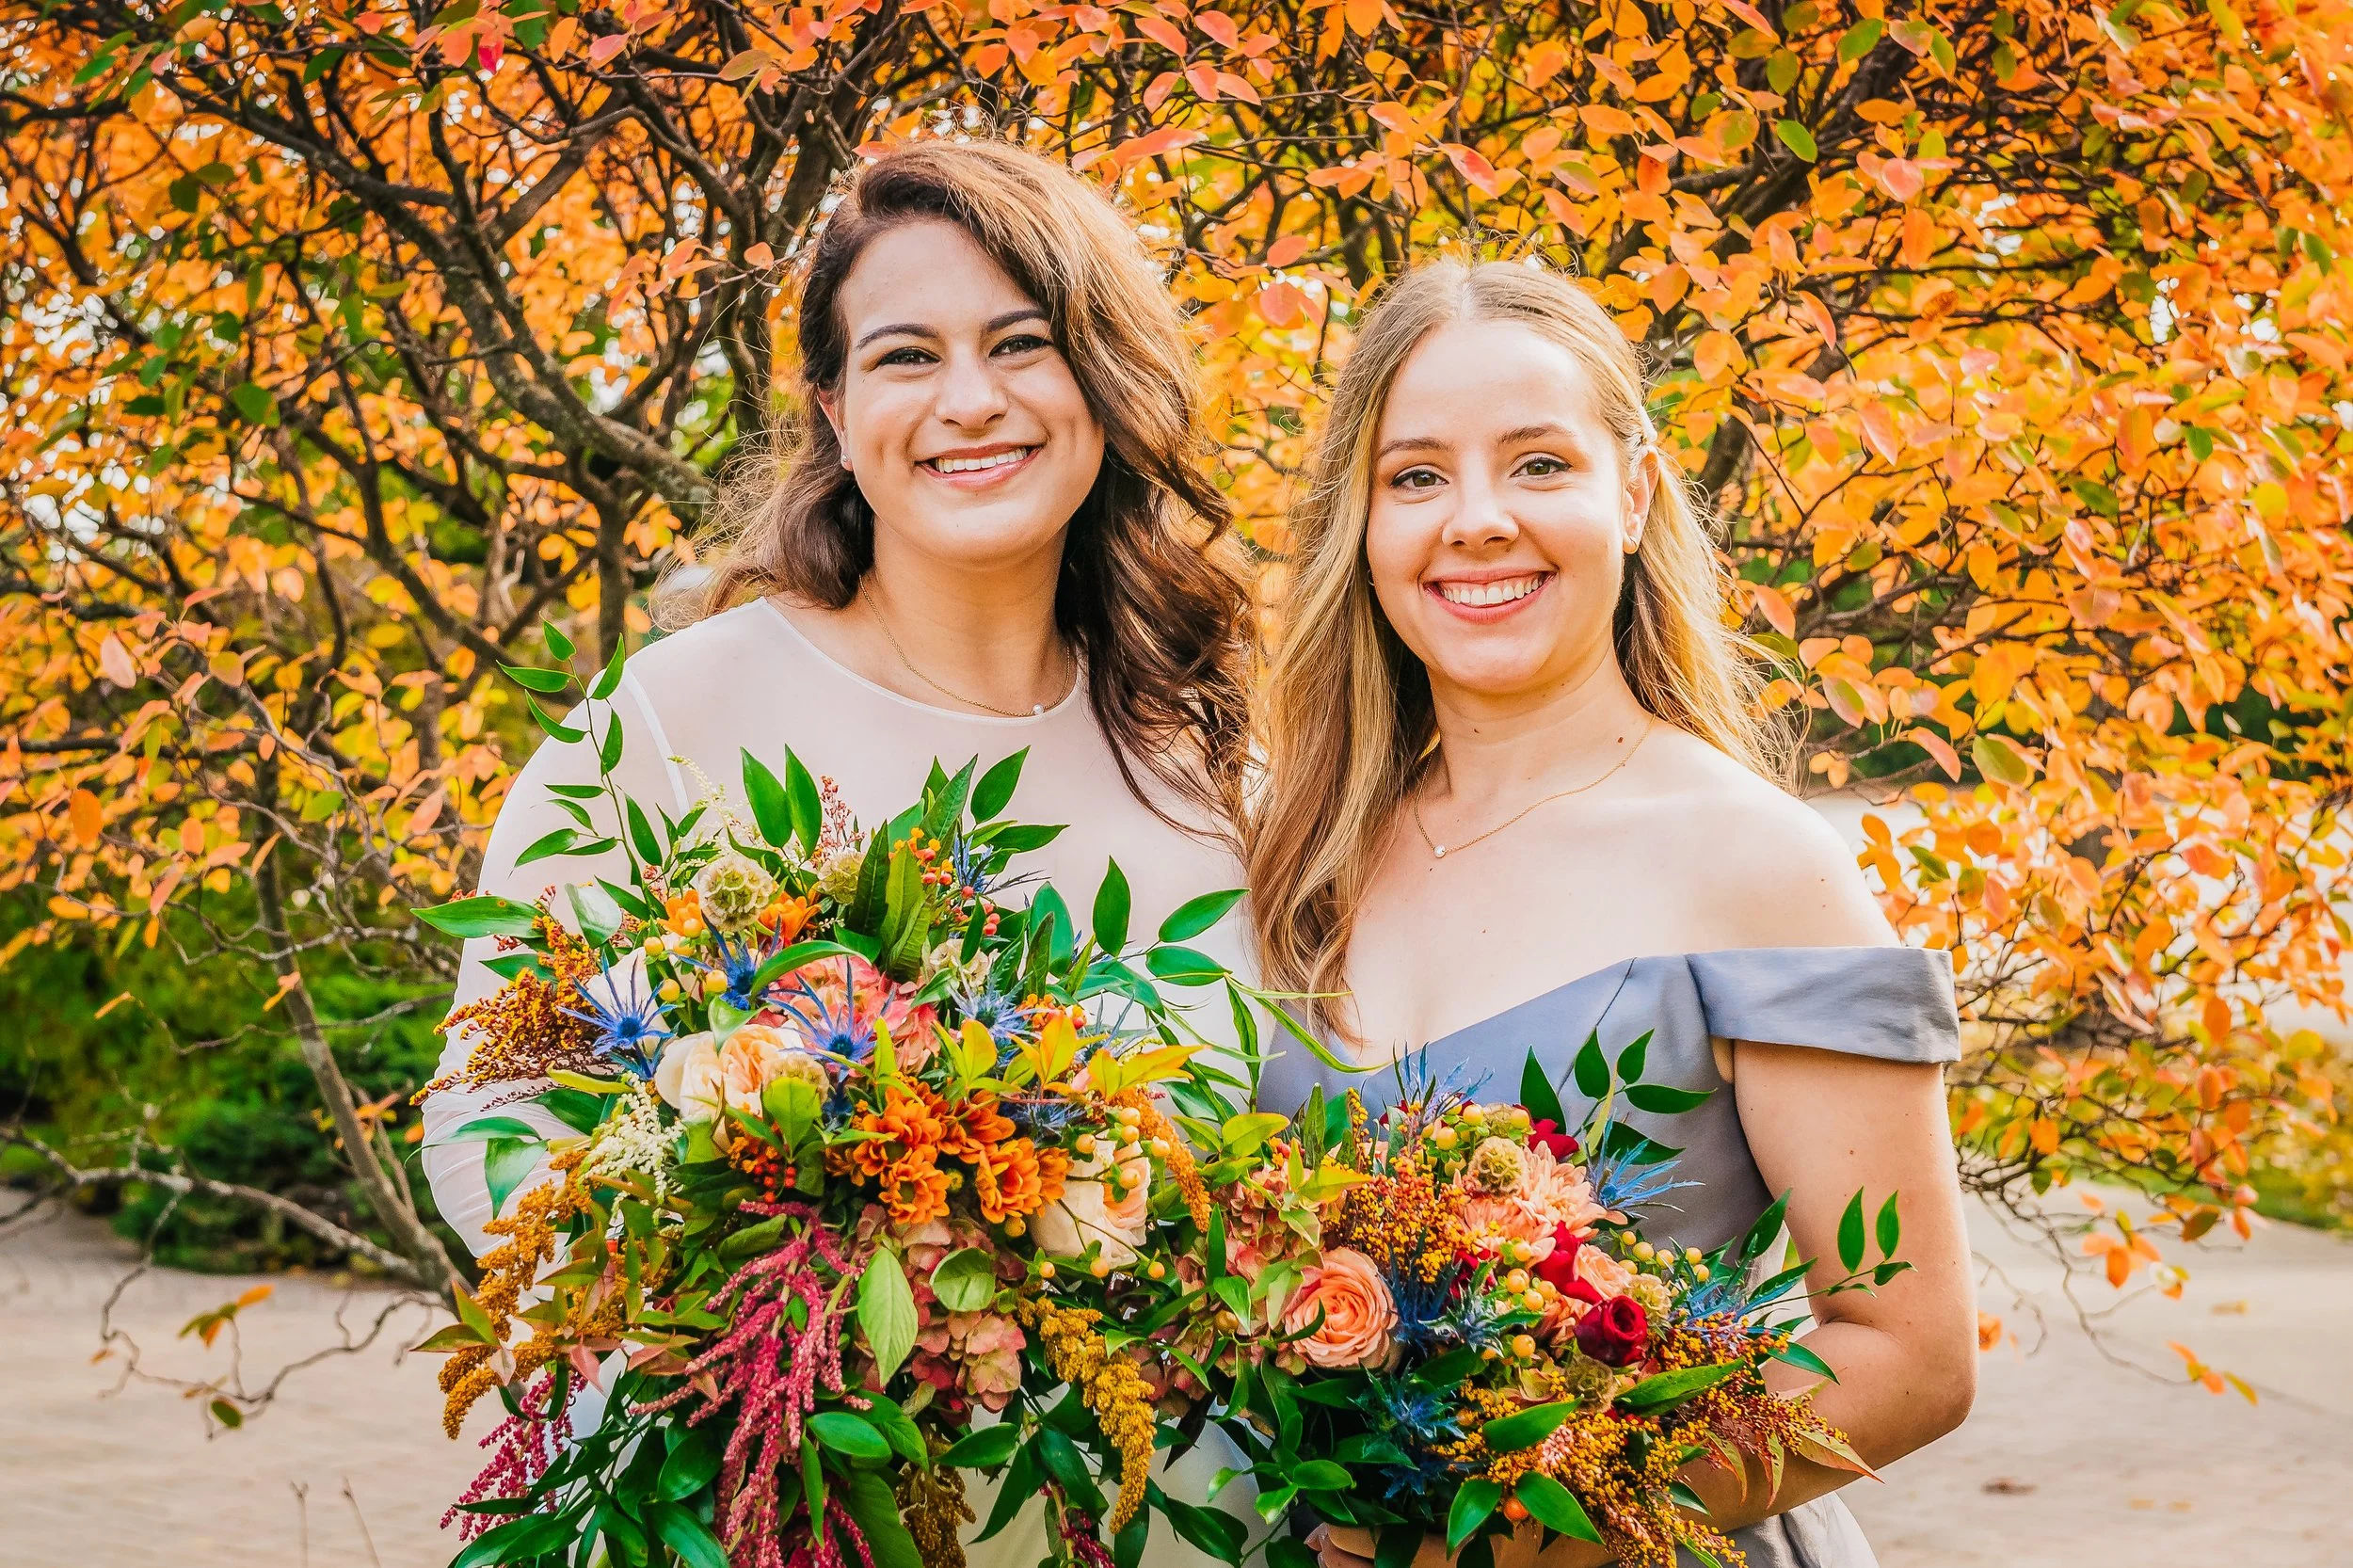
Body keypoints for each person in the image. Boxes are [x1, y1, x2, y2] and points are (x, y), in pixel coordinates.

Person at [422, 140, 1257, 1563]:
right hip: (784, 1507)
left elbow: (1290, 1152)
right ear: (835, 402)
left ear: (1103, 384)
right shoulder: (679, 719)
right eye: (907, 354)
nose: (971, 401)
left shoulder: (1217, 761)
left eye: (1024, 344)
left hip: (1161, 1520)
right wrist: (748, 1292)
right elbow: (488, 1118)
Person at [1243, 258, 1977, 1568]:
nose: (1474, 520)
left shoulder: (1756, 863)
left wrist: (1553, 1519)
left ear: (1631, 495)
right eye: (1416, 476)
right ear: (1363, 524)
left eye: (1538, 464)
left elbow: (1907, 1353)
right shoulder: (1299, 855)